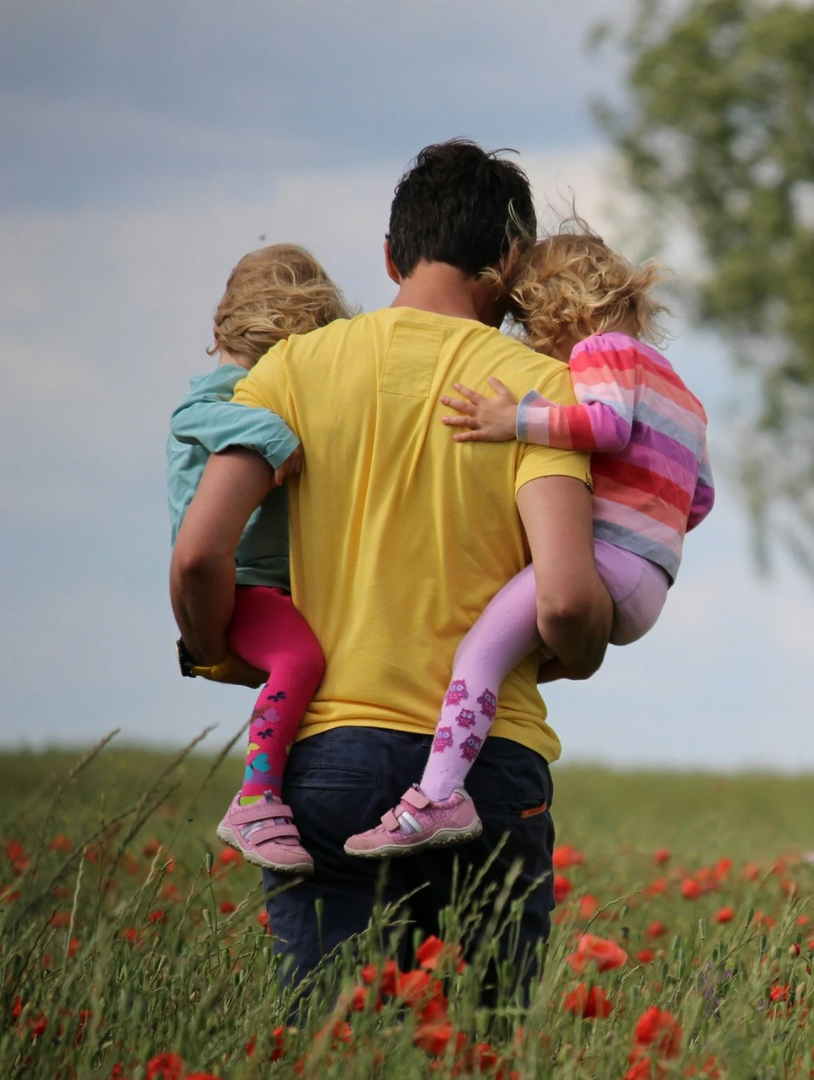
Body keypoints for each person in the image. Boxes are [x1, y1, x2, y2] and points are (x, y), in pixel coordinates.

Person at [170, 139, 613, 989]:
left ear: (389, 256)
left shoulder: (289, 371)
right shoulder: (538, 392)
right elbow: (563, 601)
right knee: (481, 1039)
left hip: (328, 758)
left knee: (332, 1038)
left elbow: (197, 555)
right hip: (487, 768)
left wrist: (220, 648)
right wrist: (582, 649)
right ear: (511, 262)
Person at [344, 224, 714, 858]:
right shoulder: (682, 392)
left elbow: (606, 426)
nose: (538, 345)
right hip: (651, 580)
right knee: (514, 656)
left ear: (562, 311)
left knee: (478, 655)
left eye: (534, 327)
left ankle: (438, 797)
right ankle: (458, 764)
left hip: (606, 561)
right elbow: (699, 499)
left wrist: (514, 419)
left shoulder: (602, 350)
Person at [168, 244, 352, 874]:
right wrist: (273, 434)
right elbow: (192, 416)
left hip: (271, 583)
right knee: (300, 660)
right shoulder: (224, 394)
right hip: (243, 584)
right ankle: (255, 797)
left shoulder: (250, 386)